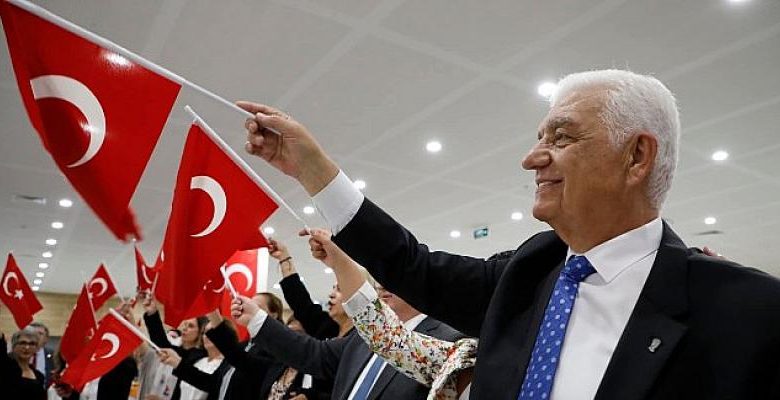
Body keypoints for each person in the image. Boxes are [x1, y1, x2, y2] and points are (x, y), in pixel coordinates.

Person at [238, 69, 780, 399]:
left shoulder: (747, 313)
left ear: (636, 156)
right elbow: (411, 264)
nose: (531, 158)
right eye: (539, 137)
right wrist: (312, 168)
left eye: (561, 138)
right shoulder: (527, 273)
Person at [230, 273, 463, 399]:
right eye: (380, 279)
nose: (382, 286)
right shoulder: (366, 336)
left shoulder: (448, 342)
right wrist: (256, 318)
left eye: (396, 277)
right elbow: (312, 353)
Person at [308, 228, 477, 400]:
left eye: (394, 281)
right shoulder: (462, 358)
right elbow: (385, 335)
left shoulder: (453, 340)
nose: (383, 286)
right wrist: (339, 262)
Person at [142, 291, 207, 400]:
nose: (185, 328)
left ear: (200, 331)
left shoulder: (200, 356)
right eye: (185, 324)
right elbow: (161, 343)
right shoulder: (179, 349)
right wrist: (152, 313)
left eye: (191, 326)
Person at [272, 239, 341, 339]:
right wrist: (283, 257)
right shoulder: (325, 327)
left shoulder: (361, 335)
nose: (331, 294)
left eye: (339, 289)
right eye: (333, 289)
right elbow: (301, 302)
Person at [159, 321, 233, 400]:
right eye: (205, 332)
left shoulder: (227, 368)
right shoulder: (197, 358)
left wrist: (178, 363)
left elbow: (209, 384)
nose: (207, 335)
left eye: (212, 331)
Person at [2, 327, 46, 399]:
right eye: (22, 343)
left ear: (37, 348)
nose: (27, 347)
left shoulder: (39, 375)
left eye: (32, 344)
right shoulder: (6, 367)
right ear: (14, 346)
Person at [28, 321, 54, 388]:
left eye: (40, 333)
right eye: (32, 333)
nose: (36, 336)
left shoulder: (53, 355)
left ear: (46, 339)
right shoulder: (17, 355)